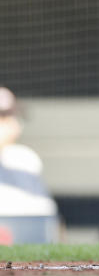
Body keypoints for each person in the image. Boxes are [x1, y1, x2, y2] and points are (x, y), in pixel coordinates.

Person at [0, 87, 58, 237]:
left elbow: (45, 214)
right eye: (5, 118)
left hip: (26, 235)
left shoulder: (24, 157)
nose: (14, 124)